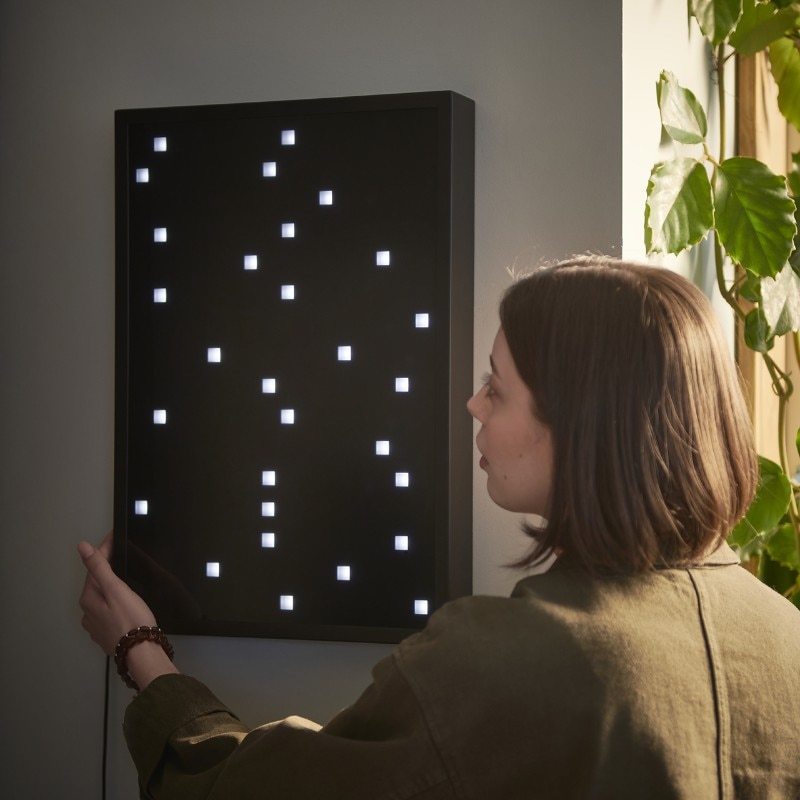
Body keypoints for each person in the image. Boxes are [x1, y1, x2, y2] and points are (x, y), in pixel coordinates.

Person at [79, 256, 800, 799]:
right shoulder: (785, 639)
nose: (473, 405)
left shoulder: (504, 662)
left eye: (497, 388)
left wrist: (142, 653)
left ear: (582, 428)